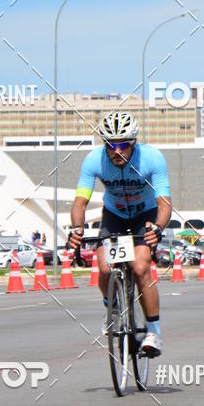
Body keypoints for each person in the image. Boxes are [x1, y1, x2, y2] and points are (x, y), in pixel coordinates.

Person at [69, 110, 171, 357]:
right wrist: (76, 229)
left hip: (144, 216)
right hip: (114, 216)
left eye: (123, 144)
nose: (117, 151)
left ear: (133, 143)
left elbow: (165, 203)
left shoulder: (152, 158)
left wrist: (158, 227)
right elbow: (80, 202)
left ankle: (153, 333)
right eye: (111, 145)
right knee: (104, 268)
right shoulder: (94, 160)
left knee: (140, 267)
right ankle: (112, 309)